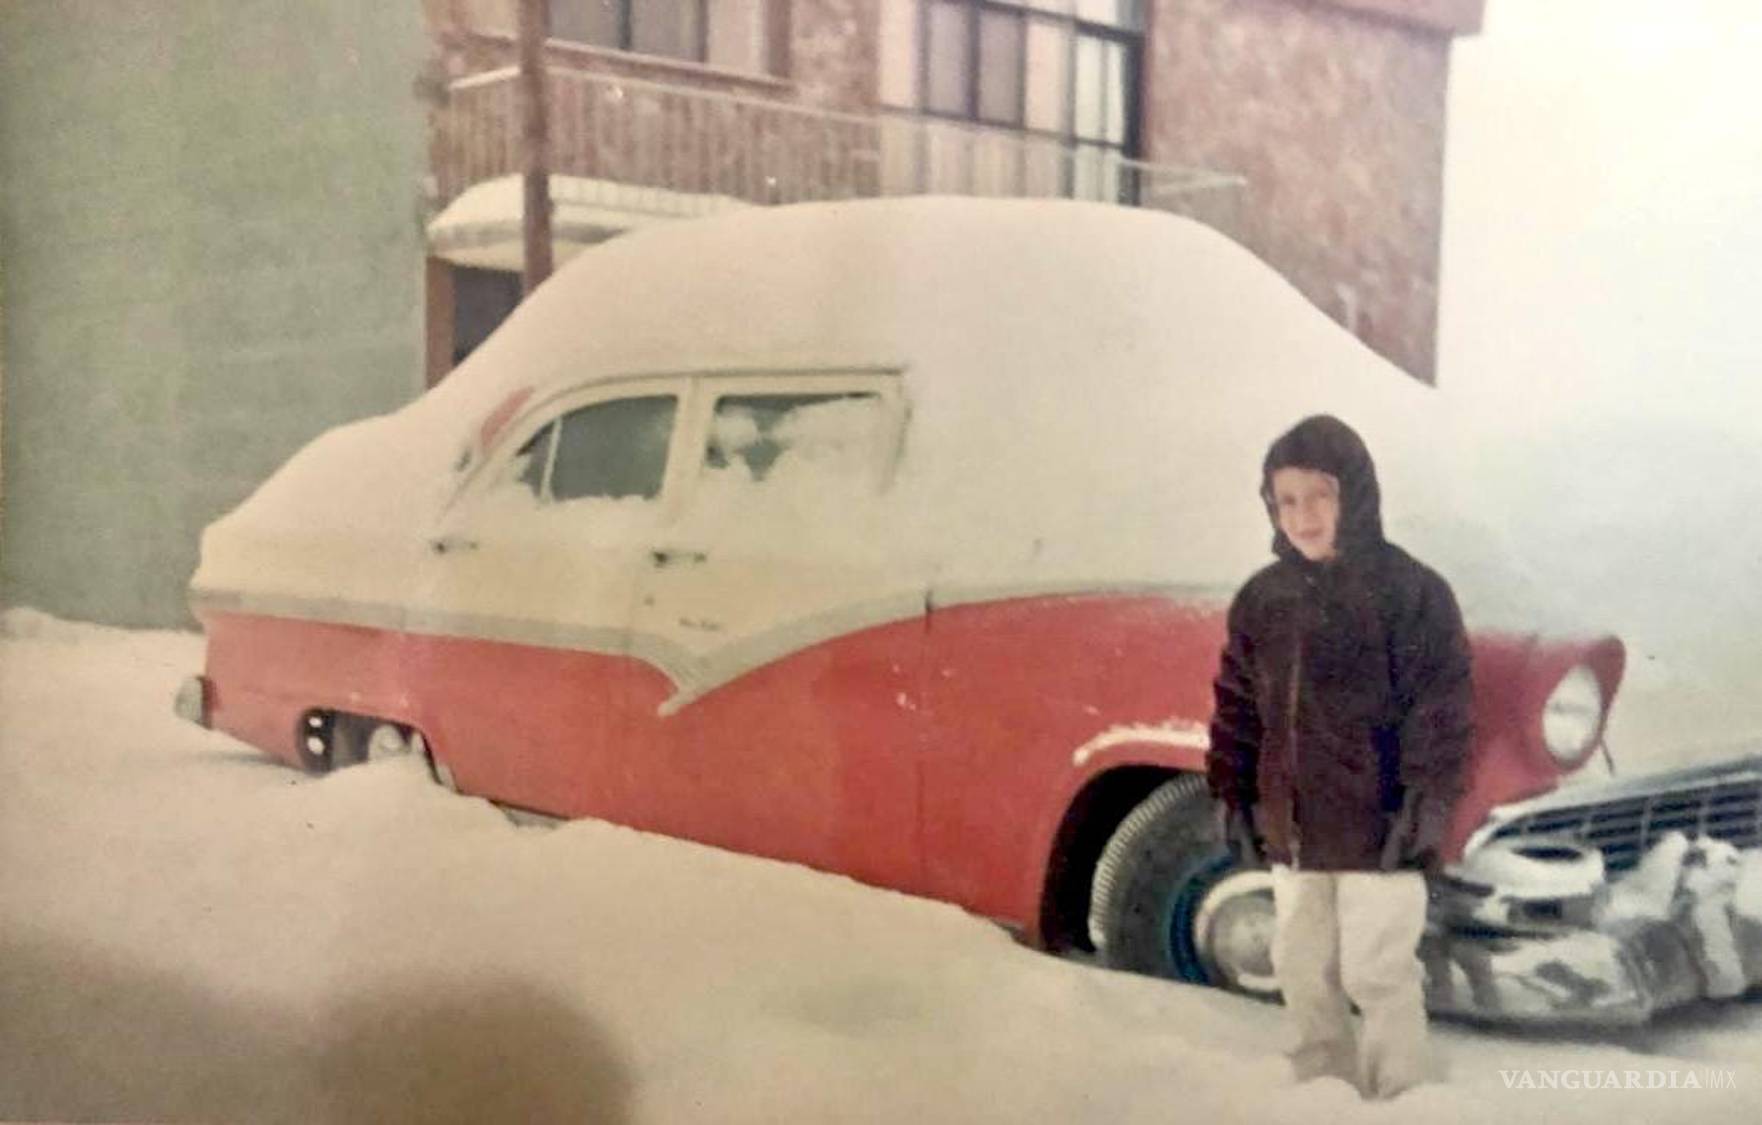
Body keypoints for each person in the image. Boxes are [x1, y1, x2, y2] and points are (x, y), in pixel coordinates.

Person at [1205, 414, 1474, 1100]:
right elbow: (1238, 707)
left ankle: (1401, 1094)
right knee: (1301, 967)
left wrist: (1426, 799)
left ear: (1354, 492)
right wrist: (1233, 791)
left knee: (1376, 972)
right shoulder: (1263, 599)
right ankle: (1320, 1094)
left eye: (1319, 494)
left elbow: (1439, 706)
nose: (1303, 515)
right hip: (1294, 828)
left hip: (1379, 827)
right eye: (1286, 499)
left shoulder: (1410, 592)